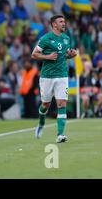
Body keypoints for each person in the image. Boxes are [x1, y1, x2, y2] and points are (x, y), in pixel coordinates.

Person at [31, 15, 77, 143]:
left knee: (62, 104)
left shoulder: (66, 38)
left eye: (64, 21)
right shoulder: (46, 38)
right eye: (61, 22)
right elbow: (34, 54)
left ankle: (60, 135)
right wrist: (48, 57)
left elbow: (63, 55)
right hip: (47, 77)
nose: (64, 23)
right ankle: (41, 123)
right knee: (45, 104)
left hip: (62, 76)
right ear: (54, 25)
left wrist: (71, 55)